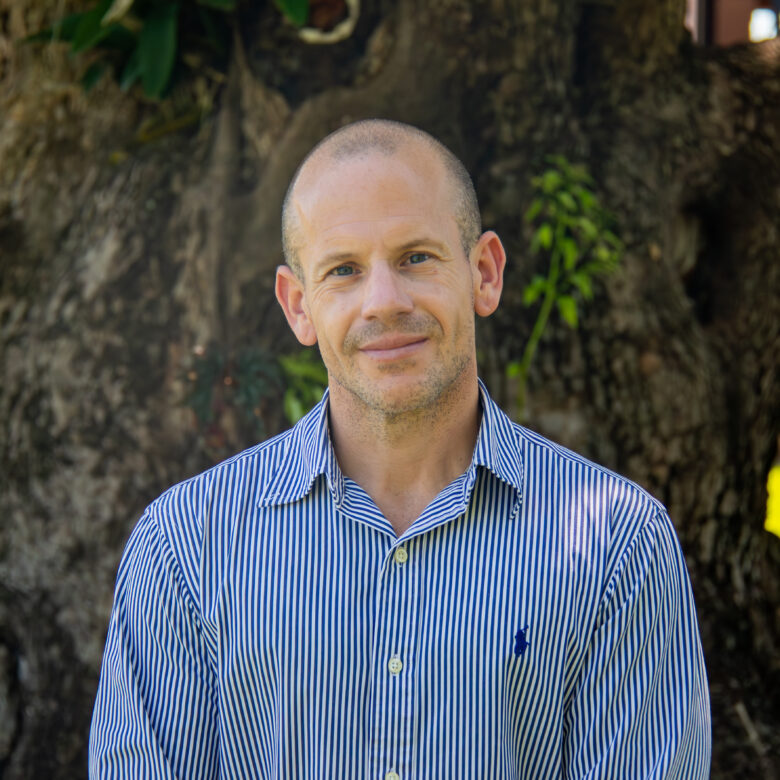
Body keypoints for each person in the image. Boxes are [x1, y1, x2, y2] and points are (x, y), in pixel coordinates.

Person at [89, 119, 711, 778]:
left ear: (484, 273)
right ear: (298, 306)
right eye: (343, 270)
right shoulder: (186, 545)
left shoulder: (618, 544)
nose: (383, 302)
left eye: (416, 257)